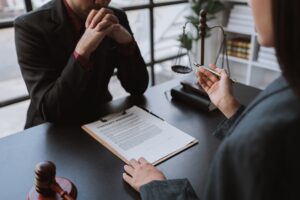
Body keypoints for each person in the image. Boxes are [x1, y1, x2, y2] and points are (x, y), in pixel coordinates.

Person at [122, 0, 300, 199]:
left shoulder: (263, 139)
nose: (249, 3)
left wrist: (157, 188)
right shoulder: (289, 88)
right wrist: (230, 107)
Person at [14, 0, 149, 129]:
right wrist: (82, 52)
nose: (101, 2)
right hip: (50, 129)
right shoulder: (30, 26)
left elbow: (138, 87)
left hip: (100, 117)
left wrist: (127, 44)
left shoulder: (115, 17)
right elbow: (51, 110)